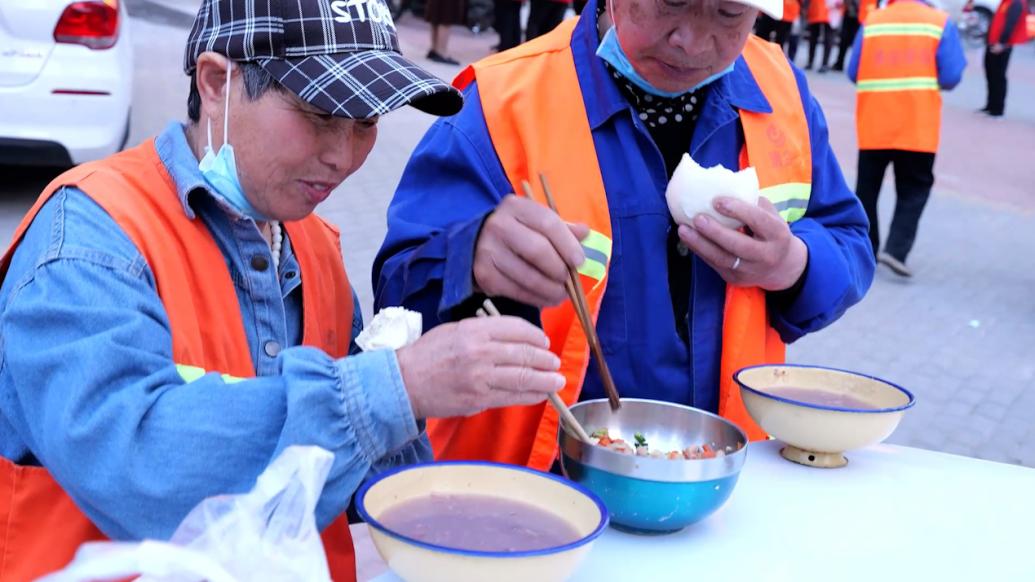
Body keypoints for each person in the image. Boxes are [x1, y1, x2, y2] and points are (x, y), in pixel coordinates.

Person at [0, 0, 566, 579]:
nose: (344, 157)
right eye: (321, 113)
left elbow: (366, 468)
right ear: (217, 81)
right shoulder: (89, 238)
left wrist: (466, 282)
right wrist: (395, 388)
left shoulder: (313, 242)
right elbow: (137, 465)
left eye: (367, 122)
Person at [375, 0, 875, 470]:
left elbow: (847, 239)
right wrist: (471, 259)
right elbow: (397, 295)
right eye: (671, 3)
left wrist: (796, 264)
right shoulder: (502, 101)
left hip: (718, 476)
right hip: (536, 484)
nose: (693, 42)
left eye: (727, 13)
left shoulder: (780, 89)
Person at [848, 0, 966, 277]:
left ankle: (867, 248)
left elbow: (854, 72)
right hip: (917, 126)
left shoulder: (873, 21)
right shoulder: (939, 22)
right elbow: (951, 76)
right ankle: (896, 249)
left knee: (867, 190)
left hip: (874, 123)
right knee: (914, 189)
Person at [980, 0, 1030, 118]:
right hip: (992, 42)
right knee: (990, 73)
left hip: (1002, 45)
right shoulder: (1005, 2)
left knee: (998, 75)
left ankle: (997, 109)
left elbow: (1010, 24)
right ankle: (990, 105)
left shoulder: (1016, 3)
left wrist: (1002, 43)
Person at [805, 0, 833, 71]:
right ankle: (811, 61)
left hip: (830, 10)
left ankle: (824, 63)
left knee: (827, 39)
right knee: (813, 38)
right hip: (816, 9)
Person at [832, 0, 860, 71]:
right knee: (843, 40)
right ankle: (839, 63)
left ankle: (857, 66)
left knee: (857, 42)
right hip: (848, 14)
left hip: (860, 17)